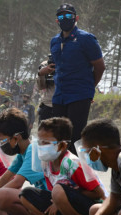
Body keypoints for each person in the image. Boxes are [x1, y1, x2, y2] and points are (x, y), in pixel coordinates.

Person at [19, 117, 106, 215]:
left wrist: (62, 195)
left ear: (62, 145)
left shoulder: (71, 164)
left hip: (90, 209)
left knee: (59, 190)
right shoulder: (46, 163)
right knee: (25, 195)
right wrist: (56, 201)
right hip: (65, 204)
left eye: (46, 143)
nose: (41, 146)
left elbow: (99, 194)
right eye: (40, 142)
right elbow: (51, 190)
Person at [39, 3, 106, 154]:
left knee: (75, 138)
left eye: (68, 15)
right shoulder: (55, 41)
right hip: (59, 96)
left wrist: (89, 89)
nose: (65, 19)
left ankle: (76, 173)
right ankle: (59, 174)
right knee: (57, 136)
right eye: (61, 16)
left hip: (79, 94)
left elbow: (100, 67)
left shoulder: (86, 39)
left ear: (76, 18)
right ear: (57, 21)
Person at [37, 58, 55, 123]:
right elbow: (41, 86)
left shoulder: (69, 63)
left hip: (64, 105)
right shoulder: (45, 64)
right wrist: (41, 74)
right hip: (48, 104)